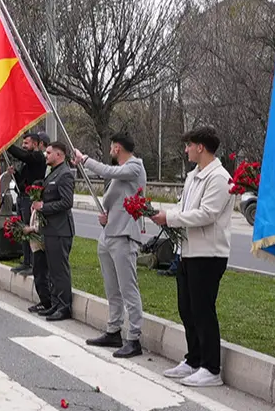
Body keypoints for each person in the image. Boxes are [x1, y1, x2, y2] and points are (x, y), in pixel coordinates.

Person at [154, 126, 232, 387]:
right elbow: (185, 208)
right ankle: (193, 359)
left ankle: (211, 368)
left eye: (189, 145)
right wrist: (163, 213)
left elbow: (207, 214)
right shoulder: (192, 177)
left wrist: (172, 218)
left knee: (203, 310)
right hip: (187, 252)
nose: (186, 150)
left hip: (209, 254)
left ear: (201, 147)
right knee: (186, 308)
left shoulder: (219, 178)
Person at [74, 133, 148, 359]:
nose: (110, 150)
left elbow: (107, 171)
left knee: (128, 288)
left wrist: (85, 159)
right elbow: (113, 201)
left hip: (124, 235)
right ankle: (113, 329)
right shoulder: (120, 176)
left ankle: (134, 337)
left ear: (117, 148)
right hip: (109, 233)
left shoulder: (134, 167)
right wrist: (107, 215)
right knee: (112, 288)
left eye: (111, 146)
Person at [32, 141, 76, 322]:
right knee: (53, 269)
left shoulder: (64, 175)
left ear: (59, 155)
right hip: (50, 229)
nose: (46, 155)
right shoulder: (53, 174)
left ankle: (64, 307)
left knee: (60, 270)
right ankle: (56, 304)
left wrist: (44, 206)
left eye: (49, 153)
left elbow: (67, 203)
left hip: (60, 229)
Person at [6, 133, 47, 271]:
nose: (23, 146)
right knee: (22, 229)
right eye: (22, 143)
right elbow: (22, 181)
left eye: (26, 143)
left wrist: (6, 144)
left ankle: (33, 263)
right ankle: (26, 261)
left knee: (30, 230)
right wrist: (15, 174)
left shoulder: (37, 157)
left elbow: (23, 155)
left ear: (35, 144)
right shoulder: (27, 161)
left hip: (30, 200)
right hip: (22, 197)